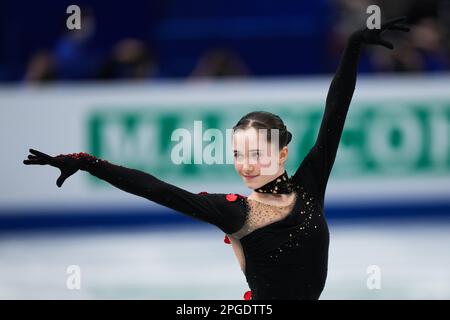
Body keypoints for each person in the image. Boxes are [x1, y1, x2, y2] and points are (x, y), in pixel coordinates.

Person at [23, 17, 409, 300]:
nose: (246, 164)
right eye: (239, 154)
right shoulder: (234, 212)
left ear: (283, 154)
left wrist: (352, 46)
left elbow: (336, 111)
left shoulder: (310, 184)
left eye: (257, 153)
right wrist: (87, 161)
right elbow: (155, 189)